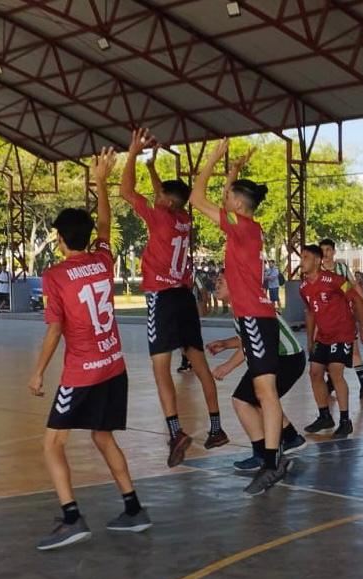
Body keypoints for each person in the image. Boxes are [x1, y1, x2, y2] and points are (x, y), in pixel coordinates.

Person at [28, 148, 151, 550]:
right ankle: (133, 509)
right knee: (102, 436)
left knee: (52, 444)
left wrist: (38, 372)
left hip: (81, 372)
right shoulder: (102, 261)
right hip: (114, 367)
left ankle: (71, 517)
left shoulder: (55, 276)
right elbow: (104, 222)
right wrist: (100, 182)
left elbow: (55, 330)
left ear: (60, 240)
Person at [119, 129, 227, 467]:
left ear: (165, 202)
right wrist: (153, 170)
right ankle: (216, 427)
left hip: (163, 299)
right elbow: (161, 195)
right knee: (199, 364)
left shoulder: (161, 216)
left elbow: (125, 191)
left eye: (160, 197)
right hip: (184, 297)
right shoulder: (182, 218)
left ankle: (176, 430)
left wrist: (134, 152)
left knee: (160, 368)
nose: (157, 199)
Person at [191, 138, 287, 495]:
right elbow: (222, 200)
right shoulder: (250, 227)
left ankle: (273, 461)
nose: (224, 199)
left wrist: (214, 159)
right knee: (253, 396)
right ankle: (267, 459)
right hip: (257, 319)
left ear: (237, 206)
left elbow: (198, 199)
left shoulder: (242, 227)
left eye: (229, 197)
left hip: (257, 319)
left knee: (266, 393)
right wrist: (233, 172)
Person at [207, 271, 307, 470]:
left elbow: (252, 342)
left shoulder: (246, 307)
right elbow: (248, 338)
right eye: (215, 281)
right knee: (261, 399)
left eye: (220, 281)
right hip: (282, 357)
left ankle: (262, 454)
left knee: (243, 400)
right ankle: (291, 437)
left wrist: (227, 367)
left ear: (235, 283)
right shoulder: (245, 305)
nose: (216, 285)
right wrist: (226, 344)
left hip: (286, 359)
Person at [300, 244, 363, 438]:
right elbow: (310, 313)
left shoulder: (335, 280)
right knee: (315, 373)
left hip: (342, 332)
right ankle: (325, 416)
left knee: (335, 373)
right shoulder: (304, 287)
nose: (302, 262)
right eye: (301, 257)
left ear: (317, 261)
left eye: (306, 258)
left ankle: (345, 421)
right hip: (322, 335)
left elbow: (356, 299)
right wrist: (309, 339)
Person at [319, 238, 363, 400]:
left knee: (354, 351)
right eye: (322, 250)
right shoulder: (318, 271)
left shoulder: (341, 269)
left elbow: (354, 287)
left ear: (334, 252)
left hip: (344, 317)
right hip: (326, 318)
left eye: (328, 250)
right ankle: (331, 383)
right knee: (328, 354)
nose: (325, 253)